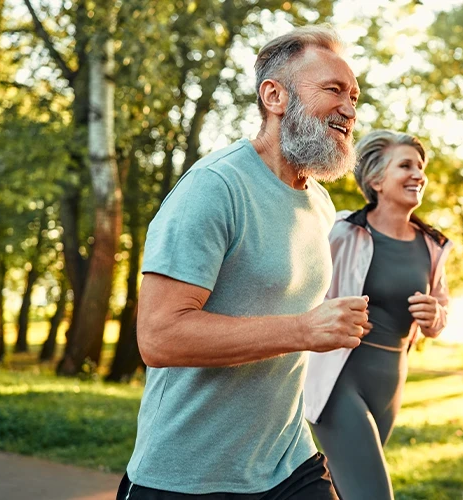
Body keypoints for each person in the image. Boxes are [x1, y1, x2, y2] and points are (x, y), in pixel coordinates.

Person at [118, 25, 374, 499]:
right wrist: (303, 330)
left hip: (287, 461)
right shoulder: (214, 187)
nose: (349, 109)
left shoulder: (318, 205)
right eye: (333, 90)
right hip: (187, 473)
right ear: (274, 96)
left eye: (355, 96)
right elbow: (158, 336)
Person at [301, 130, 451, 500]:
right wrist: (333, 314)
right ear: (376, 180)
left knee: (340, 490)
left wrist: (435, 316)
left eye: (420, 167)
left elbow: (441, 311)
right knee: (373, 495)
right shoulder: (342, 232)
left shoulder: (433, 245)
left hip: (390, 381)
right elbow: (303, 296)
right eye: (406, 166)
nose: (418, 174)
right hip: (340, 378)